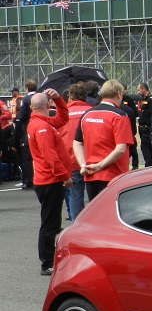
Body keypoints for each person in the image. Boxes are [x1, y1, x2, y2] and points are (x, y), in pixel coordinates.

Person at [27, 89, 71, 275]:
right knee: (50, 223)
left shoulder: (40, 122)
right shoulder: (42, 127)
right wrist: (64, 176)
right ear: (47, 105)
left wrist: (58, 100)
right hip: (50, 180)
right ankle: (47, 262)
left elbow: (63, 119)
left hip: (46, 179)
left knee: (51, 221)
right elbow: (50, 155)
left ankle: (50, 258)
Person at [73, 80, 134, 201]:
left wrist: (83, 165)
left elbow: (77, 142)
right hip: (113, 174)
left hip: (90, 173)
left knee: (96, 213)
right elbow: (120, 149)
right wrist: (100, 165)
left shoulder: (87, 114)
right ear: (118, 94)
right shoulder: (119, 116)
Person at [58, 84, 92, 220]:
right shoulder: (92, 111)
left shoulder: (63, 113)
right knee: (96, 196)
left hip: (70, 160)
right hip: (90, 159)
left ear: (70, 96)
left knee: (75, 196)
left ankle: (77, 226)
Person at [136, 83, 152, 166]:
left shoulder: (150, 99)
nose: (138, 92)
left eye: (139, 90)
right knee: (147, 146)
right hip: (142, 128)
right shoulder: (143, 99)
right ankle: (150, 164)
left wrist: (148, 125)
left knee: (145, 146)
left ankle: (148, 164)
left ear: (143, 89)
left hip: (147, 128)